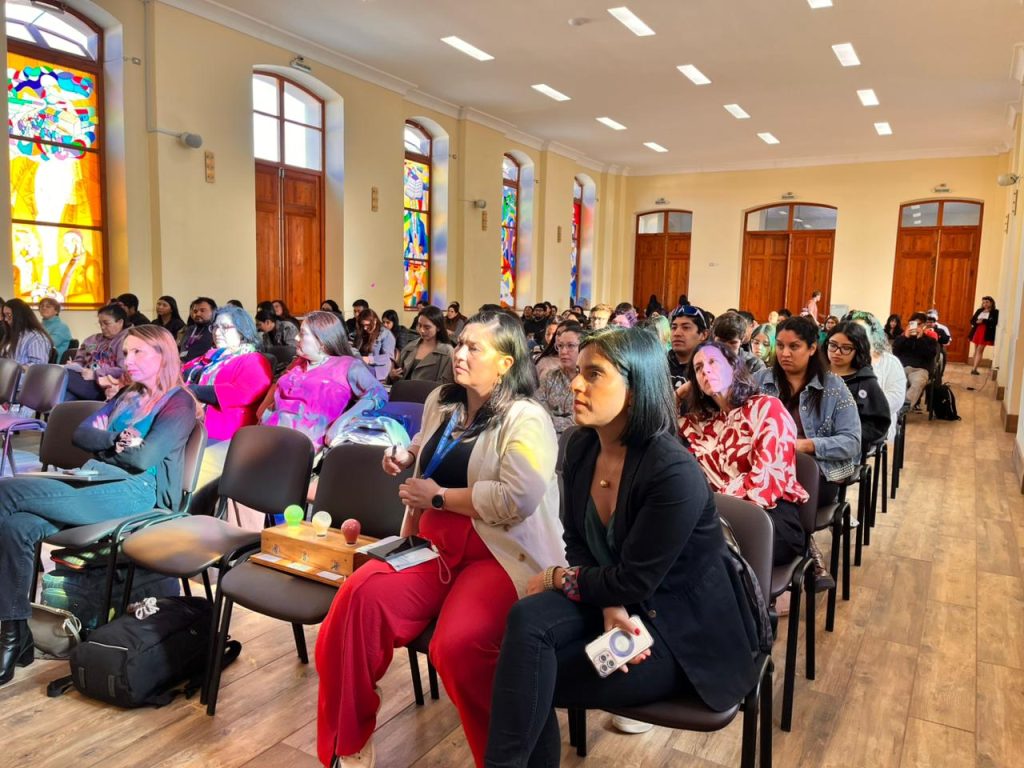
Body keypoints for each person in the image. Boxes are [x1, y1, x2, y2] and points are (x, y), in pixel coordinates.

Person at [484, 327, 761, 766]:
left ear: (635, 390)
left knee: (529, 677)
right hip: (623, 599)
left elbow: (635, 579)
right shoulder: (581, 446)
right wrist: (610, 604)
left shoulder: (672, 471)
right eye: (579, 371)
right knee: (526, 626)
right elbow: (577, 539)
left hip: (681, 630)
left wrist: (560, 578)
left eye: (594, 374)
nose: (576, 384)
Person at [316, 311, 565, 768]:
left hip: (496, 554)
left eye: (474, 348)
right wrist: (406, 453)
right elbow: (429, 442)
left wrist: (438, 498)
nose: (460, 354)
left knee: (458, 646)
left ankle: (504, 759)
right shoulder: (443, 401)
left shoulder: (526, 418)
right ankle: (348, 742)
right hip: (434, 548)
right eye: (460, 343)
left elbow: (517, 499)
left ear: (506, 362)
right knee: (357, 599)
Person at [0, 325, 196, 686]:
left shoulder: (178, 402)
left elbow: (145, 459)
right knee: (16, 527)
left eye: (137, 352)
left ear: (163, 355)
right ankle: (14, 635)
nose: (127, 360)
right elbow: (83, 434)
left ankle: (12, 636)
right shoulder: (129, 395)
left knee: (6, 492)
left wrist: (108, 443)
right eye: (125, 352)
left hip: (134, 493)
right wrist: (117, 440)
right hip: (92, 479)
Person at [755, 316, 861, 590]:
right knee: (757, 491)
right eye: (780, 345)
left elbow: (852, 442)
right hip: (768, 467)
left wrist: (805, 445)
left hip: (817, 474)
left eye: (794, 346)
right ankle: (800, 554)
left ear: (813, 348)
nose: (785, 353)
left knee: (779, 494)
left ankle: (795, 556)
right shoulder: (762, 380)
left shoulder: (833, 387)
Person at [681, 341, 808, 566]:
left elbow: (765, 483)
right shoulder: (705, 425)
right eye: (698, 368)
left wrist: (711, 505)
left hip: (771, 520)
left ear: (733, 367)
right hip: (719, 521)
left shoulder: (767, 408)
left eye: (713, 362)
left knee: (695, 555)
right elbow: (660, 426)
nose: (706, 370)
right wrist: (680, 393)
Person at [258, 311, 386, 452]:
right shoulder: (298, 363)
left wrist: (343, 421)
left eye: (302, 333)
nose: (296, 337)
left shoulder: (346, 365)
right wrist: (263, 412)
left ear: (321, 341)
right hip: (267, 438)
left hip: (301, 447)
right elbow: (278, 388)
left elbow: (378, 393)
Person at [182, 305, 272, 441]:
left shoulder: (254, 360)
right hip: (187, 420)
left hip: (224, 430)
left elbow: (242, 393)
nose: (217, 332)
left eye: (225, 327)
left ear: (242, 331)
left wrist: (193, 390)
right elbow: (179, 373)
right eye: (215, 327)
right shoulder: (209, 356)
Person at [824, 322, 891, 449]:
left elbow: (877, 423)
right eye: (833, 345)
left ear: (858, 349)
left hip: (845, 445)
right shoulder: (815, 374)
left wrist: (849, 437)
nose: (837, 352)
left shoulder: (865, 382)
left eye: (846, 348)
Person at [846, 310, 907, 442]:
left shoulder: (890, 362)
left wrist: (861, 410)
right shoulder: (840, 358)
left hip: (875, 422)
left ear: (873, 334)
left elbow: (896, 397)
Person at [66, 304, 129, 401]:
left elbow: (123, 369)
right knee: (66, 392)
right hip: (85, 379)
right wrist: (74, 365)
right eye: (100, 324)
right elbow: (80, 360)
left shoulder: (127, 341)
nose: (102, 327)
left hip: (105, 387)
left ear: (120, 322)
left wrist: (95, 374)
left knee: (63, 376)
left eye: (106, 323)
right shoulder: (92, 340)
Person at [535, 322, 582, 434]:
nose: (563, 351)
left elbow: (580, 420)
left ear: (582, 348)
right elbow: (537, 407)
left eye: (570, 346)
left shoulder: (589, 381)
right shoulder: (549, 376)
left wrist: (550, 421)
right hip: (546, 435)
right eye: (560, 346)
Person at [390, 305, 454, 384]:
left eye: (427, 327)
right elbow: (399, 374)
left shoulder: (447, 352)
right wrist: (393, 376)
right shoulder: (410, 347)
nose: (422, 330)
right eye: (419, 325)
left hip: (429, 391)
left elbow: (446, 383)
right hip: (405, 390)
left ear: (438, 328)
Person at [892, 313, 939, 409]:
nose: (915, 327)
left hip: (920, 370)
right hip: (902, 368)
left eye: (919, 324)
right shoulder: (903, 338)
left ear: (924, 325)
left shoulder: (930, 340)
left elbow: (930, 355)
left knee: (917, 383)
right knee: (893, 382)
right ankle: (894, 406)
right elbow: (895, 352)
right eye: (912, 323)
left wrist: (920, 338)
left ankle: (902, 408)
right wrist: (905, 337)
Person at [667, 305, 711, 405]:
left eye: (686, 327)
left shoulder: (711, 370)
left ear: (704, 334)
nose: (677, 333)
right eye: (674, 327)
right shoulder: (657, 365)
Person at [1, 299, 52, 366]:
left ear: (20, 316)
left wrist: (13, 368)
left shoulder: (36, 338)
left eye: (9, 315)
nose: (5, 319)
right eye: (4, 315)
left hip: (22, 373)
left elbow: (38, 367)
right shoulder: (12, 334)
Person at [354, 308, 395, 382]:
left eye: (368, 325)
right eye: (363, 325)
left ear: (375, 321)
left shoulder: (386, 334)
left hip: (377, 370)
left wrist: (369, 359)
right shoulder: (362, 333)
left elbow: (388, 357)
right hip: (362, 366)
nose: (365, 328)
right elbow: (355, 348)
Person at [179, 297, 217, 363]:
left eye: (202, 311)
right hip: (184, 365)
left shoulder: (216, 330)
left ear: (213, 312)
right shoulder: (189, 329)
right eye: (195, 311)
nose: (197, 314)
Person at [969, 296, 998, 375]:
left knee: (979, 350)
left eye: (987, 302)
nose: (985, 304)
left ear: (991, 303)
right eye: (983, 302)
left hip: (986, 333)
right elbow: (972, 320)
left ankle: (974, 369)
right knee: (976, 350)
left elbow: (994, 322)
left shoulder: (995, 312)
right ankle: (974, 368)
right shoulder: (979, 310)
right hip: (977, 331)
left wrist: (983, 321)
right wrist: (976, 322)